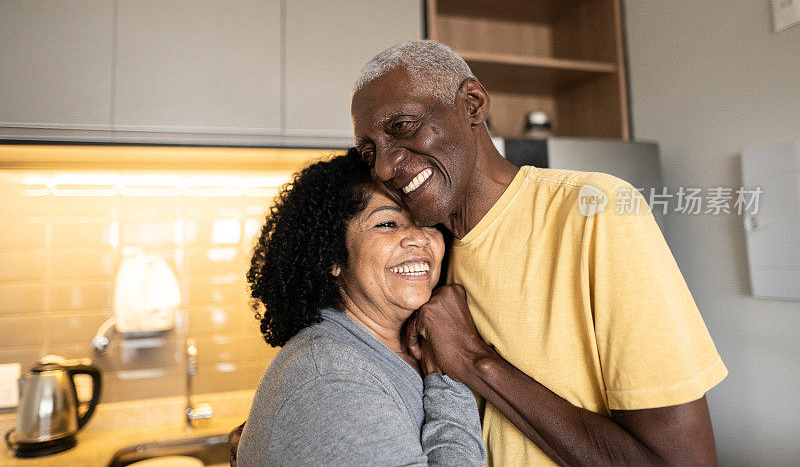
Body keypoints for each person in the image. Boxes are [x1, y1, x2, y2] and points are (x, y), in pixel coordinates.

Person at [351, 40, 728, 466]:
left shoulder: (594, 210)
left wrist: (476, 362)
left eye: (402, 126)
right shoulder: (425, 257)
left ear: (472, 104)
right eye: (370, 152)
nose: (383, 167)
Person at [236, 149, 486, 467]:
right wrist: (447, 377)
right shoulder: (329, 378)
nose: (417, 239)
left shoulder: (391, 348)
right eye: (386, 224)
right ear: (333, 257)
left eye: (425, 223)